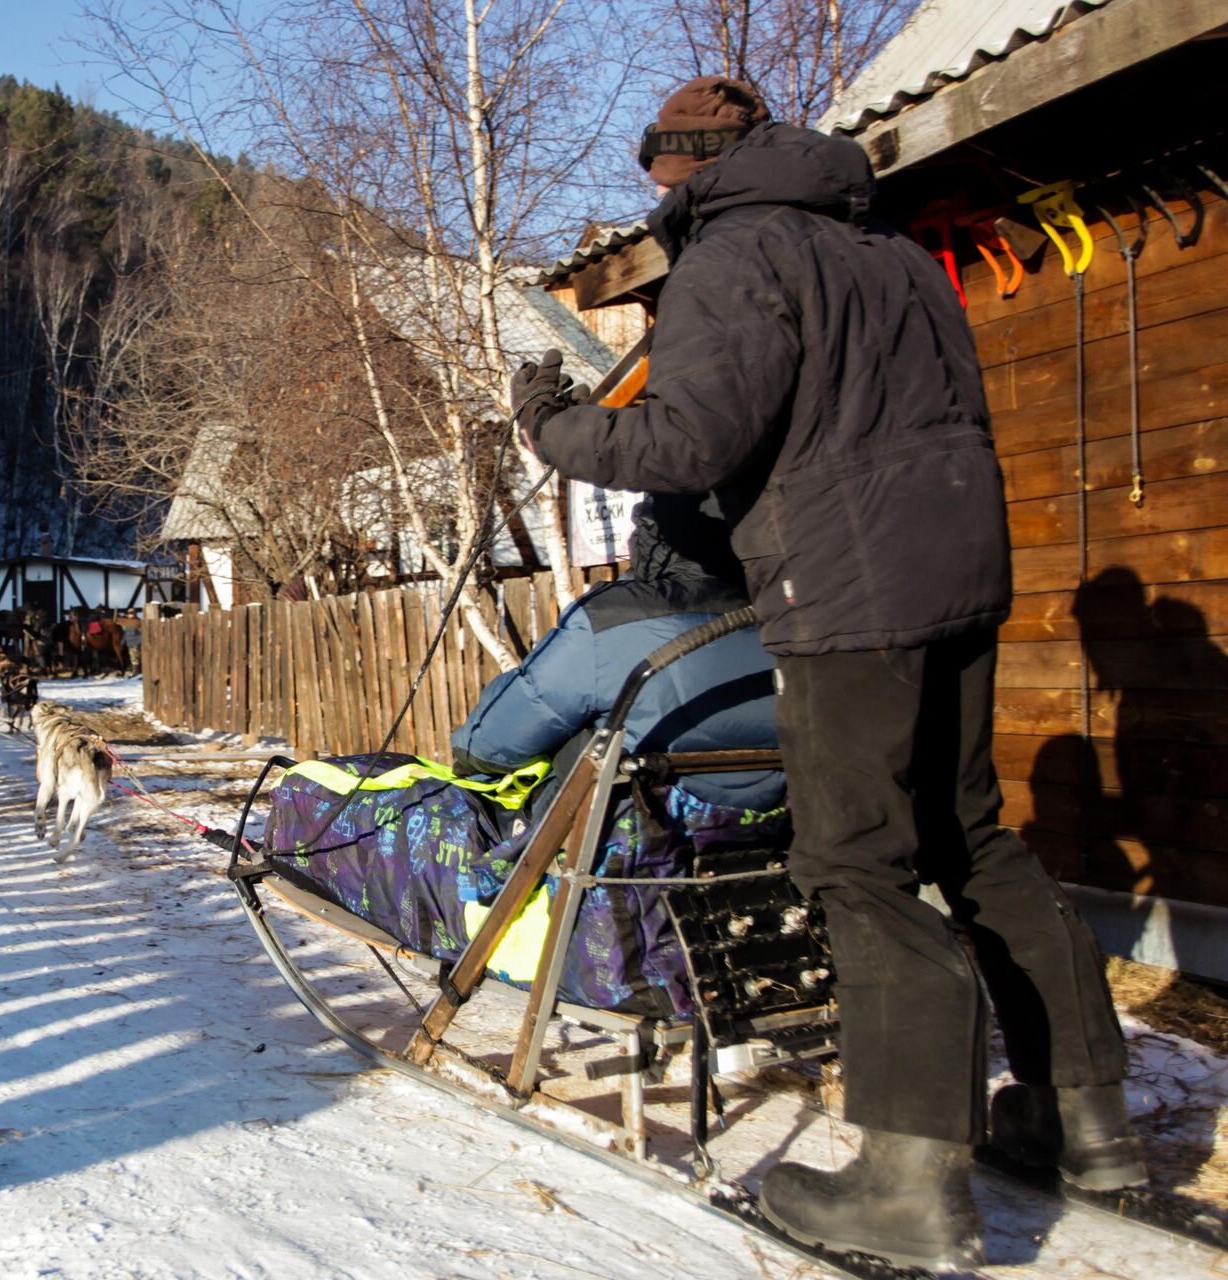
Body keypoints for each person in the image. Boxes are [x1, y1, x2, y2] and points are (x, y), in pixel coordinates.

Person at [511, 77, 1139, 1269]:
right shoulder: (890, 251)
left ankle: (909, 1180)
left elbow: (692, 443)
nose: (658, 197)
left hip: (848, 584)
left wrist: (554, 428)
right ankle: (1085, 1114)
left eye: (660, 176)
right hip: (961, 559)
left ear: (684, 167)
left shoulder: (733, 257)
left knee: (857, 858)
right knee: (970, 834)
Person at [452, 492, 779, 819]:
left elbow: (493, 742)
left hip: (635, 840)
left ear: (656, 540)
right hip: (770, 829)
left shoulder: (612, 621)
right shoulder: (789, 618)